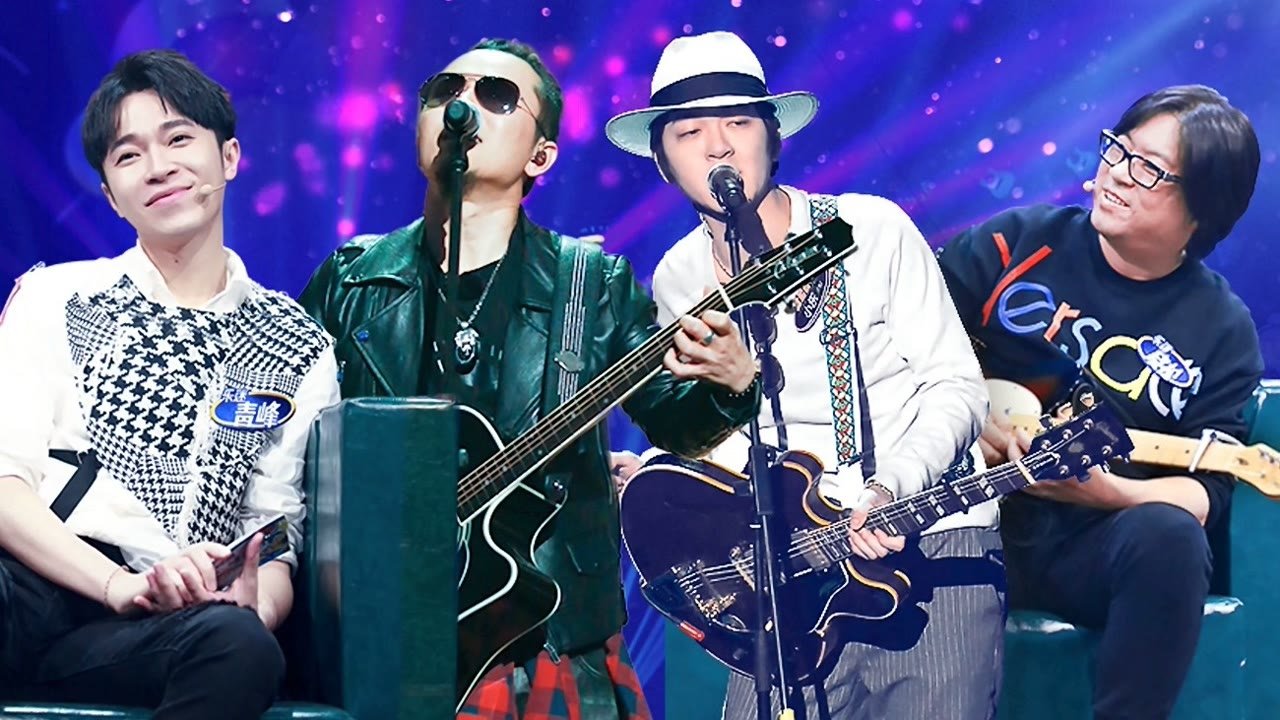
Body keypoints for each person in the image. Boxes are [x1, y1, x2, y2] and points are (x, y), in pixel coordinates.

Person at [299, 38, 760, 720]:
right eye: (446, 91)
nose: (462, 106)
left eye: (496, 96)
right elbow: (292, 445)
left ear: (541, 155)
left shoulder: (590, 284)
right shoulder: (353, 279)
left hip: (541, 631)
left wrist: (733, 384)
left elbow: (677, 423)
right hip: (377, 626)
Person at [606, 30, 1002, 720]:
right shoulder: (678, 277)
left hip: (929, 536)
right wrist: (667, 473)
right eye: (690, 132)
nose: (718, 146)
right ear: (663, 163)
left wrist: (891, 485)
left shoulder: (868, 229)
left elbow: (956, 387)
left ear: (774, 138)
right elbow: (722, 439)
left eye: (738, 123)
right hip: (788, 572)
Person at [0, 50, 340, 719]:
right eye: (128, 156)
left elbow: (275, 534)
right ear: (110, 194)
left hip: (152, 620)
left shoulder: (296, 342)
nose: (158, 167)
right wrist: (113, 583)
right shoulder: (57, 297)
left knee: (241, 645)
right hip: (32, 580)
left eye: (179, 139)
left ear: (229, 157)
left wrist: (254, 604)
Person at [936, 84, 1263, 720]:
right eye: (1119, 149)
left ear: (1203, 209)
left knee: (1170, 536)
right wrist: (969, 423)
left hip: (1087, 543)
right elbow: (902, 349)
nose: (1116, 173)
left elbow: (1210, 491)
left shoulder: (1221, 328)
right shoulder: (1014, 242)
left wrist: (1110, 494)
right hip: (964, 516)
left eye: (1149, 169)